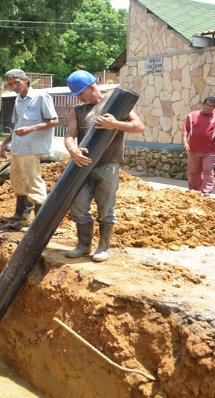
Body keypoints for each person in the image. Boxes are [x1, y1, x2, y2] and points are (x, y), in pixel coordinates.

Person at [64, 70, 144, 262]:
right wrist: (72, 149)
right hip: (82, 164)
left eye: (80, 93)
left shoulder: (115, 104)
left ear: (92, 86)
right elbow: (69, 135)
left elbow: (139, 127)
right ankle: (83, 245)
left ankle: (103, 247)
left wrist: (115, 124)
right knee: (79, 206)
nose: (79, 98)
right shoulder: (77, 111)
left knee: (106, 208)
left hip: (108, 164)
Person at [0, 69, 59, 222]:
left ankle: (40, 221)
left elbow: (54, 121)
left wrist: (31, 129)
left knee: (33, 181)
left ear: (26, 80)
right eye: (10, 84)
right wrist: (5, 142)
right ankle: (21, 214)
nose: (14, 87)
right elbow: (18, 125)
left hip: (32, 148)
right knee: (18, 180)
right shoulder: (18, 100)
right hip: (18, 147)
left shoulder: (41, 96)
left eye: (16, 82)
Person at [182, 97, 215, 197]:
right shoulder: (192, 115)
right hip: (193, 150)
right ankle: (194, 191)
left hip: (210, 151)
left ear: (214, 108)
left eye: (211, 106)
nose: (208, 107)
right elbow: (186, 129)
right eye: (207, 104)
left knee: (208, 170)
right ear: (203, 104)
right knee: (193, 171)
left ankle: (206, 191)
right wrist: (185, 142)